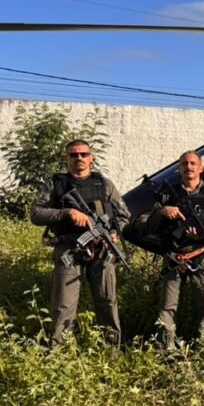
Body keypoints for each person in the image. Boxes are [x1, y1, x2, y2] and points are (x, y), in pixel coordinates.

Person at [30, 139, 130, 346]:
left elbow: (123, 215)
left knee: (107, 300)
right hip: (69, 248)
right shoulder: (55, 184)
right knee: (63, 304)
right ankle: (59, 349)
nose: (79, 158)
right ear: (66, 158)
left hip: (101, 249)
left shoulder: (104, 184)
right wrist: (66, 213)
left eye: (84, 154)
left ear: (91, 158)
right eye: (73, 155)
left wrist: (113, 232)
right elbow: (36, 213)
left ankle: (111, 348)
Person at [150, 151, 204, 349]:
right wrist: (162, 211)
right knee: (167, 305)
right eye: (184, 164)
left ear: (201, 168)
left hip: (202, 255)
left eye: (193, 163)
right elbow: (149, 223)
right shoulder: (168, 194)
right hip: (174, 255)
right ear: (179, 168)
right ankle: (166, 348)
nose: (189, 167)